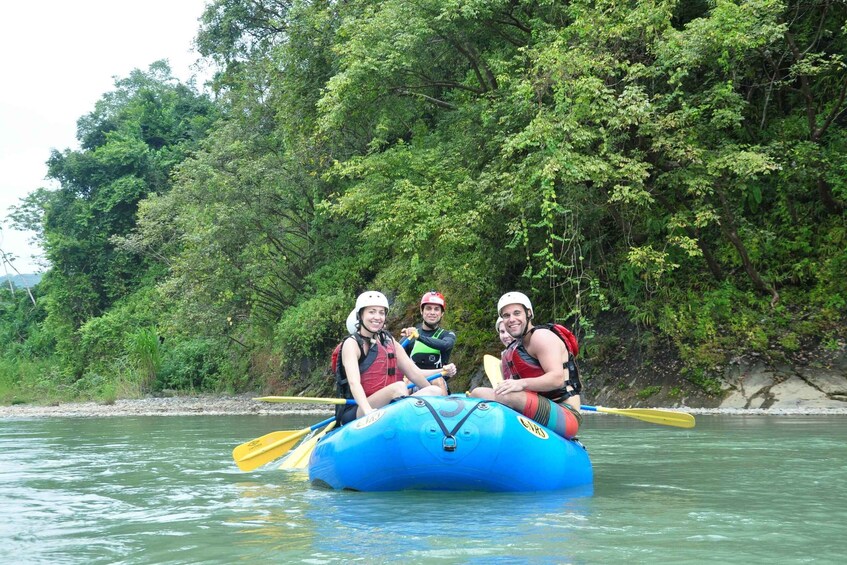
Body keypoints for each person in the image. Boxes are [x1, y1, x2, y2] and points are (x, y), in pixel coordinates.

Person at [471, 292, 582, 439]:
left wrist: (520, 384)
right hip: (539, 408)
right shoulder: (513, 350)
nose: (511, 319)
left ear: (528, 313)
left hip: (566, 415)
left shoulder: (541, 336)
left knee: (508, 395)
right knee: (478, 393)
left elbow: (557, 379)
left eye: (517, 313)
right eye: (506, 315)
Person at [336, 291, 457, 425]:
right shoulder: (352, 344)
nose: (377, 317)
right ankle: (401, 417)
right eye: (372, 312)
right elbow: (354, 383)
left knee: (435, 390)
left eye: (381, 313)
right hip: (358, 409)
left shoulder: (388, 340)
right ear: (360, 315)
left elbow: (415, 373)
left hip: (389, 406)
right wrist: (368, 411)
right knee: (399, 387)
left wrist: (435, 392)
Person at [399, 290, 456, 395]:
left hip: (436, 382)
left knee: (437, 380)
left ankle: (442, 408)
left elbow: (445, 345)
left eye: (436, 309)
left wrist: (419, 337)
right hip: (413, 383)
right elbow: (394, 355)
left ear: (442, 313)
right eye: (428, 308)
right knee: (405, 381)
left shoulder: (447, 335)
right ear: (422, 311)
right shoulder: (411, 336)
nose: (432, 312)